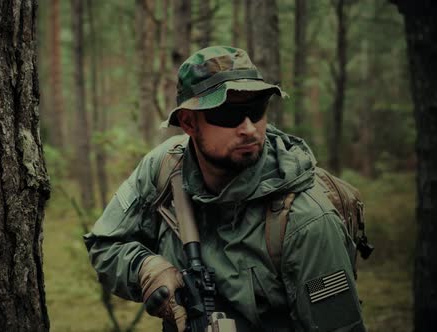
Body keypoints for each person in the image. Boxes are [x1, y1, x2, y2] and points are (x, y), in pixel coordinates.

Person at [84, 46, 365, 331]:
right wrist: (145, 269)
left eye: (256, 110)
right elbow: (105, 245)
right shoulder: (166, 168)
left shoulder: (307, 222)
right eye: (228, 114)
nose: (248, 128)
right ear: (189, 122)